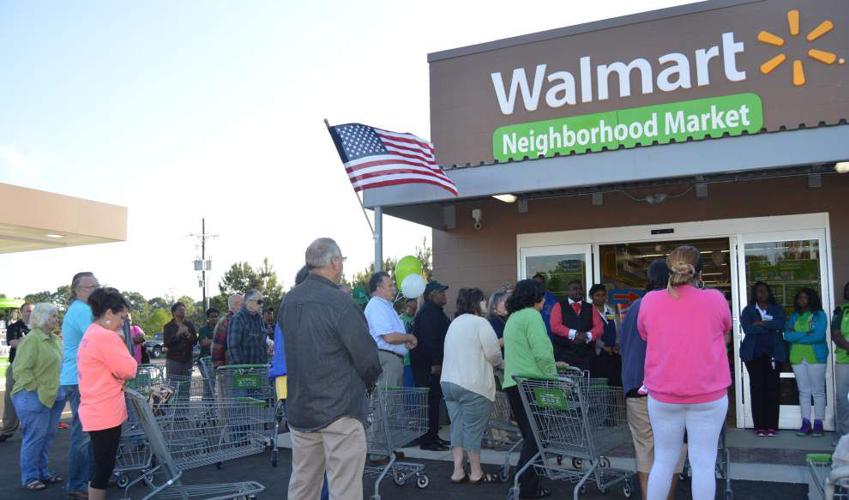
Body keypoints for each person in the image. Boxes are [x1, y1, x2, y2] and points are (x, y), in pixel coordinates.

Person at [281, 238, 381, 500]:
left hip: (301, 408)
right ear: (335, 262)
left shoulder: (288, 302)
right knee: (344, 489)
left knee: (303, 485)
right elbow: (367, 356)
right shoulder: (340, 302)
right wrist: (369, 383)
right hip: (340, 408)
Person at [637, 245, 731, 500]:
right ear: (699, 273)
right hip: (709, 395)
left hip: (663, 394)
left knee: (664, 461)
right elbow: (725, 329)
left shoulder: (650, 301)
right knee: (703, 465)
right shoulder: (715, 299)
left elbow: (644, 333)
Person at [620, 260, 685, 500]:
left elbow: (623, 345)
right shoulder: (670, 304)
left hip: (636, 387)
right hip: (666, 390)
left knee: (645, 448)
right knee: (673, 449)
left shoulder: (634, 307)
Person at [77, 288, 137, 500]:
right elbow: (130, 369)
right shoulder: (106, 337)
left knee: (101, 467)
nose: (123, 323)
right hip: (105, 412)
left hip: (94, 409)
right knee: (103, 470)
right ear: (109, 313)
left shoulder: (92, 332)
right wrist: (120, 341)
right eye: (122, 317)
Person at [440, 287, 503, 484]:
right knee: (473, 430)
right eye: (483, 301)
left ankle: (457, 470)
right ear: (476, 303)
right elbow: (493, 355)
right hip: (473, 384)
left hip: (448, 383)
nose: (486, 304)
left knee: (457, 427)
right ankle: (476, 472)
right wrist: (500, 364)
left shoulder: (454, 323)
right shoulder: (481, 323)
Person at [502, 279, 556, 499]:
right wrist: (553, 377)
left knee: (532, 439)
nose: (544, 300)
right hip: (533, 384)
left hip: (513, 384)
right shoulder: (532, 316)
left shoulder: (513, 318)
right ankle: (524, 488)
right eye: (541, 295)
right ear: (534, 297)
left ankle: (529, 487)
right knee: (538, 439)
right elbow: (542, 352)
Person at [10, 303, 64, 490]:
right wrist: (36, 390)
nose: (56, 320)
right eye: (52, 317)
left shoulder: (54, 339)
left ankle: (43, 473)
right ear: (40, 318)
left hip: (52, 395)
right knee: (34, 437)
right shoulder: (32, 340)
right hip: (32, 396)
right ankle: (30, 477)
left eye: (56, 316)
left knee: (47, 436)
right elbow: (20, 370)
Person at [60, 271, 98, 499]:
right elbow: (98, 338)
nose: (95, 289)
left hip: (79, 378)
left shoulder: (80, 309)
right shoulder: (82, 311)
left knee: (89, 432)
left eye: (97, 285)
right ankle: (77, 483)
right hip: (80, 379)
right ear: (77, 290)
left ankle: (91, 479)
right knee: (84, 434)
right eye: (90, 286)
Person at [740, 281, 787, 437]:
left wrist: (761, 323)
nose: (763, 294)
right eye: (759, 291)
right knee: (758, 389)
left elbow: (781, 324)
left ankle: (772, 426)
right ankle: (759, 426)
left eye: (765, 291)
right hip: (754, 355)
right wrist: (770, 326)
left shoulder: (777, 309)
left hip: (774, 354)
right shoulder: (748, 310)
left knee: (773, 390)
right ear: (755, 294)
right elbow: (748, 328)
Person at [411, 280, 452, 451]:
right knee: (429, 403)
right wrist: (435, 363)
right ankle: (427, 440)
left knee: (434, 402)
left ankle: (434, 436)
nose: (444, 295)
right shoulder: (429, 313)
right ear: (432, 295)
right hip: (427, 367)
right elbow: (428, 341)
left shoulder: (435, 312)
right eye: (441, 292)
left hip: (432, 365)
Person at [784, 287, 829, 437]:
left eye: (805, 297)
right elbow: (787, 336)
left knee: (817, 391)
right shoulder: (794, 316)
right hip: (797, 357)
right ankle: (805, 422)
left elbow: (817, 336)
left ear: (811, 299)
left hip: (816, 357)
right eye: (799, 297)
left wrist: (797, 336)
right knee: (803, 391)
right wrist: (804, 334)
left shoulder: (820, 315)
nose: (801, 300)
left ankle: (818, 423)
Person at [364, 272, 418, 388]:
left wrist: (403, 343)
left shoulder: (384, 305)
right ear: (379, 288)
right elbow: (389, 337)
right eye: (390, 286)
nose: (394, 289)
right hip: (387, 361)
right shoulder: (377, 305)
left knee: (392, 403)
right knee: (387, 404)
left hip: (391, 360)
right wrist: (409, 337)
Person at [549, 279, 603, 372]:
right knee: (566, 384)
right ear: (568, 291)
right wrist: (575, 334)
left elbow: (599, 327)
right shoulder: (559, 306)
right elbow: (555, 326)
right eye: (575, 289)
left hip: (586, 357)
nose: (578, 291)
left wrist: (587, 335)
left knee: (586, 384)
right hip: (564, 355)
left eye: (580, 289)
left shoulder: (590, 307)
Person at [0, 302, 33, 442]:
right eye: (27, 311)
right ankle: (8, 429)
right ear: (21, 312)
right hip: (16, 367)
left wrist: (24, 342)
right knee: (11, 398)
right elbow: (13, 343)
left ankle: (31, 428)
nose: (30, 314)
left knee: (34, 399)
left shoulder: (40, 328)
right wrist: (30, 343)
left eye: (33, 311)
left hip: (35, 369)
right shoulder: (14, 327)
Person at [589, 284, 622, 386]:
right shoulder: (589, 312)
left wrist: (617, 344)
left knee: (615, 383)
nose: (600, 298)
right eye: (597, 295)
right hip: (598, 354)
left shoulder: (610, 311)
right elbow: (589, 333)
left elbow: (617, 329)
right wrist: (603, 346)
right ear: (591, 296)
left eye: (603, 295)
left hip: (613, 353)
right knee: (601, 385)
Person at [228, 290, 269, 365]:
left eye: (262, 302)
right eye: (259, 302)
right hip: (243, 372)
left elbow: (262, 342)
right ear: (248, 302)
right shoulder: (238, 318)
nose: (261, 305)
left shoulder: (259, 318)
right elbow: (233, 346)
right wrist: (244, 369)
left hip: (259, 369)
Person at [162, 302, 198, 381]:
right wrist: (178, 334)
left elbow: (195, 341)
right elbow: (167, 343)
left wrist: (188, 334)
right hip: (173, 360)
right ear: (174, 312)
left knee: (185, 387)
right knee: (171, 386)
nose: (183, 311)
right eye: (180, 310)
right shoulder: (168, 326)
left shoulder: (189, 324)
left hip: (187, 360)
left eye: (184, 310)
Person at [833, 282, 849, 438]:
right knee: (842, 397)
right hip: (844, 359)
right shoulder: (840, 311)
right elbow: (835, 333)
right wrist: (847, 346)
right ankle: (844, 435)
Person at [213, 294, 242, 367]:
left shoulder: (228, 319)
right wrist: (221, 369)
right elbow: (218, 348)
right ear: (236, 305)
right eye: (242, 305)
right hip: (228, 368)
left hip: (228, 366)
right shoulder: (227, 321)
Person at [399, 298, 418, 388]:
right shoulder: (400, 320)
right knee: (408, 388)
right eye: (412, 308)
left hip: (416, 359)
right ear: (406, 306)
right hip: (405, 360)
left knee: (415, 388)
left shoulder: (417, 319)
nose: (414, 310)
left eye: (415, 308)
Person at [531, 273, 557, 337]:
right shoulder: (528, 300)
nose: (537, 286)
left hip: (550, 337)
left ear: (544, 284)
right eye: (535, 284)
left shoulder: (553, 300)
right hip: (533, 336)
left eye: (540, 283)